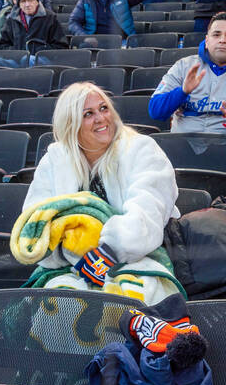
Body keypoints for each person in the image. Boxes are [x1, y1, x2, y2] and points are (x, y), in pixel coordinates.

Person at [23, 81, 181, 303]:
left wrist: (106, 254)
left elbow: (148, 210)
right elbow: (36, 219)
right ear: (71, 124)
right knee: (57, 300)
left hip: (137, 257)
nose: (100, 118)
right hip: (70, 264)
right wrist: (69, 254)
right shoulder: (55, 159)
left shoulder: (141, 149)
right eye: (88, 114)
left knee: (129, 296)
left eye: (104, 108)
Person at [148, 12, 226, 138]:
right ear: (206, 40)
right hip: (182, 146)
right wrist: (182, 92)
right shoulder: (183, 66)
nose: (222, 40)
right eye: (216, 35)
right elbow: (155, 111)